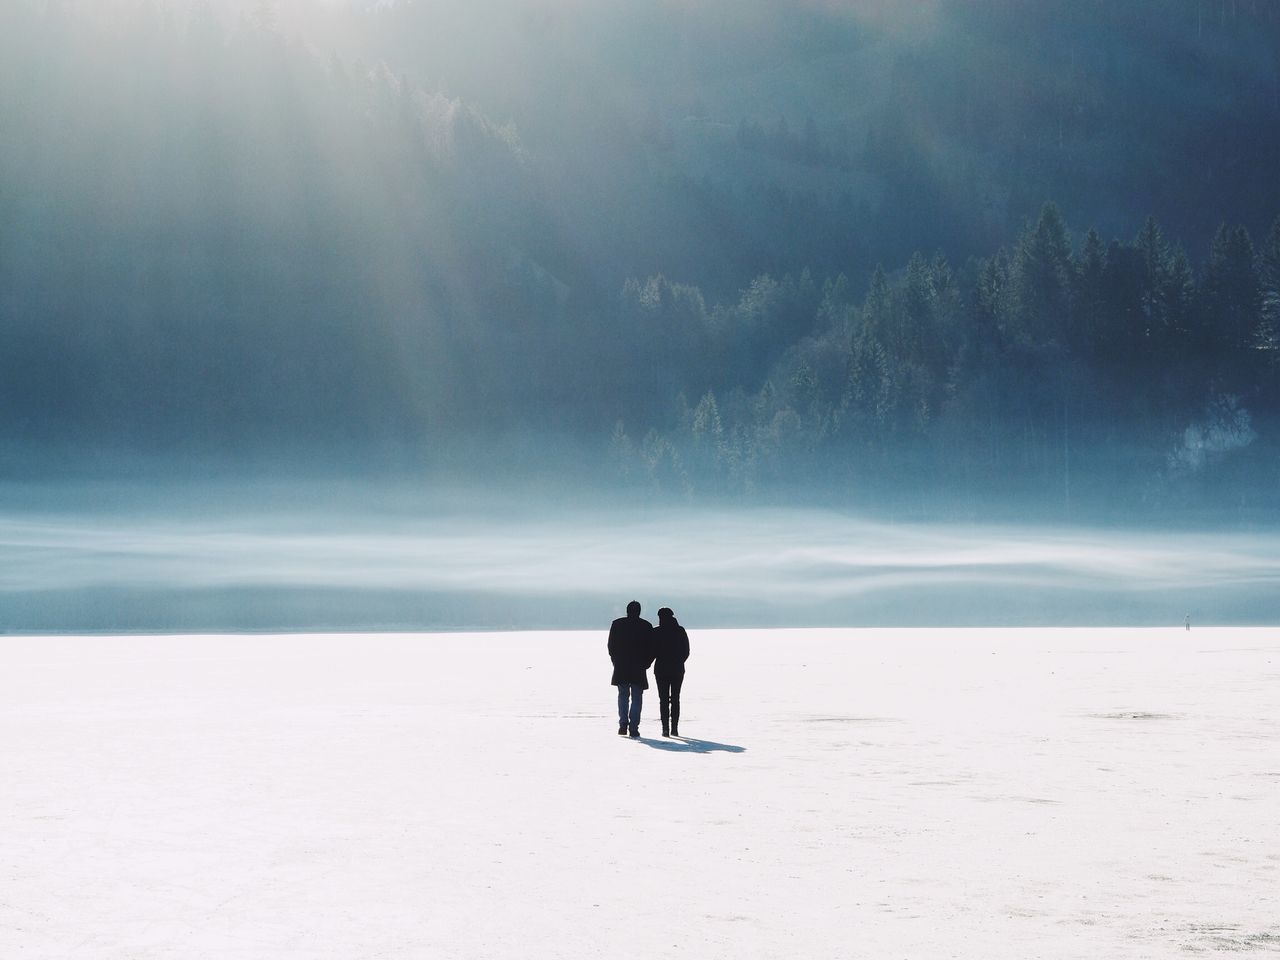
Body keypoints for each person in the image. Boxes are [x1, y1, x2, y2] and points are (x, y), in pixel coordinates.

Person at [608, 600, 654, 738]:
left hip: (621, 666)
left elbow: (611, 646)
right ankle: (633, 727)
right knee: (636, 698)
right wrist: (647, 663)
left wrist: (615, 661)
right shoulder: (646, 626)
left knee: (623, 696)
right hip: (638, 668)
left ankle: (623, 724)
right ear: (639, 611)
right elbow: (652, 649)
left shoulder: (617, 624)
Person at [652, 606, 690, 738]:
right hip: (677, 670)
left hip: (661, 670)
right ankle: (674, 728)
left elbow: (652, 651)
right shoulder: (680, 631)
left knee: (663, 700)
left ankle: (665, 729)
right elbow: (686, 651)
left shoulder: (657, 631)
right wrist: (679, 661)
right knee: (675, 699)